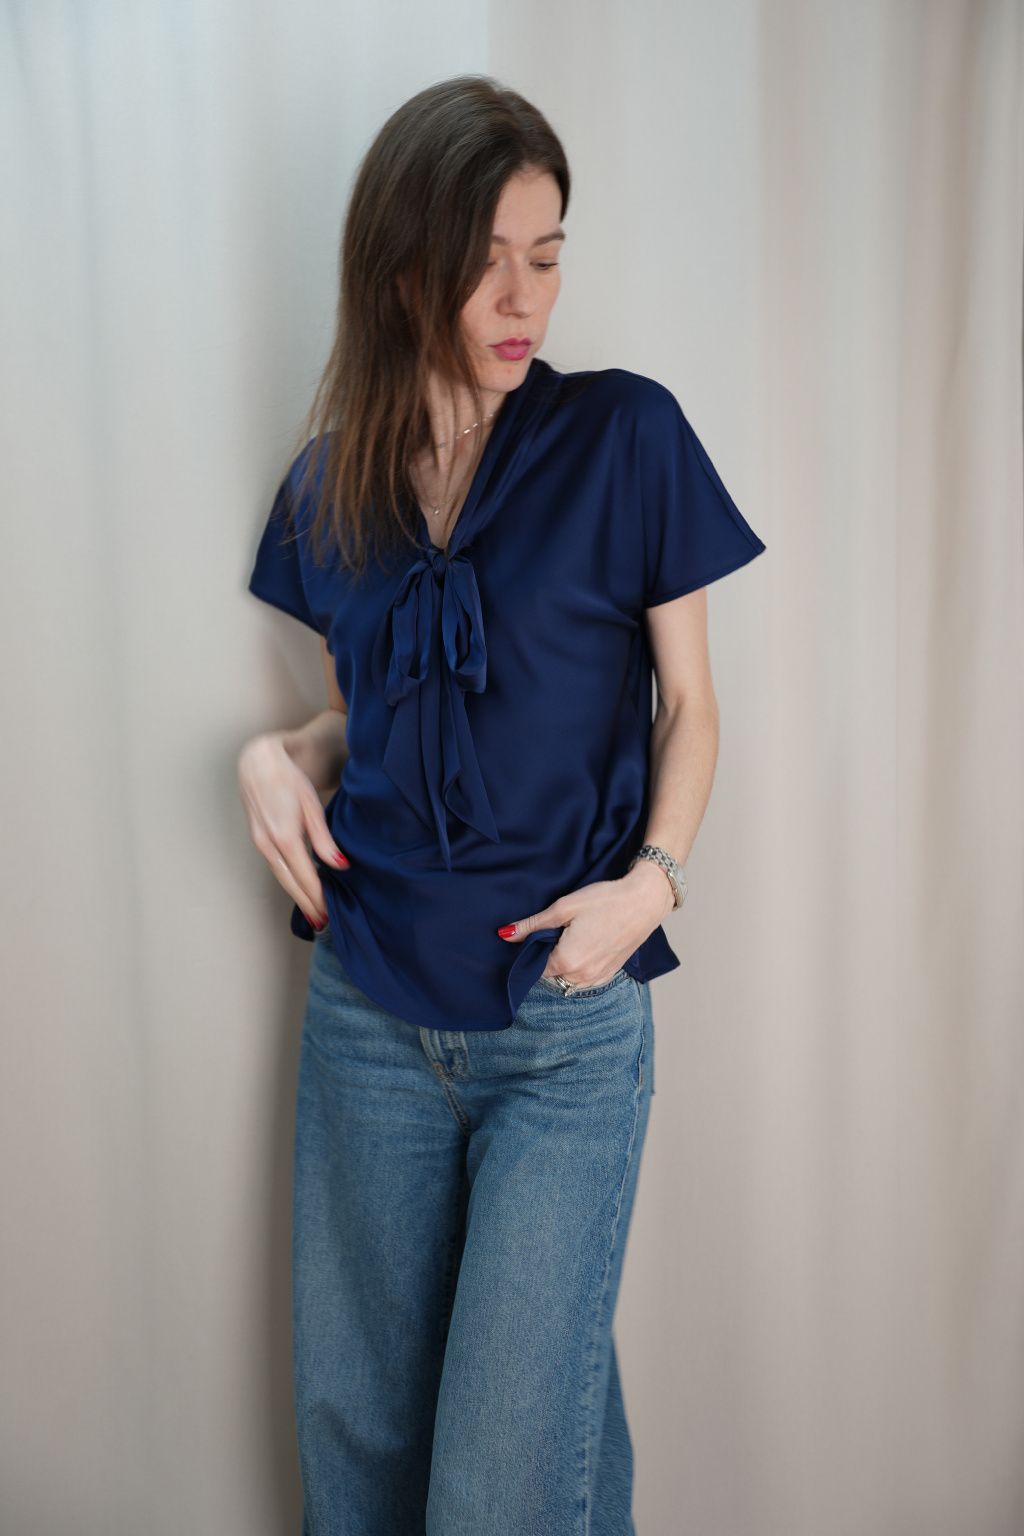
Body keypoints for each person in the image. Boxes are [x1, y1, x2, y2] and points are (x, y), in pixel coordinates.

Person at [238, 75, 766, 1536]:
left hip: (563, 1021)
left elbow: (693, 705)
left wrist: (653, 883)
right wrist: (275, 753)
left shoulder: (626, 437)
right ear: (403, 269)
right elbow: (374, 714)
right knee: (362, 1445)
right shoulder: (330, 486)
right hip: (368, 1012)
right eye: (487, 261)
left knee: (499, 1487)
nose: (524, 296)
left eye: (547, 253)